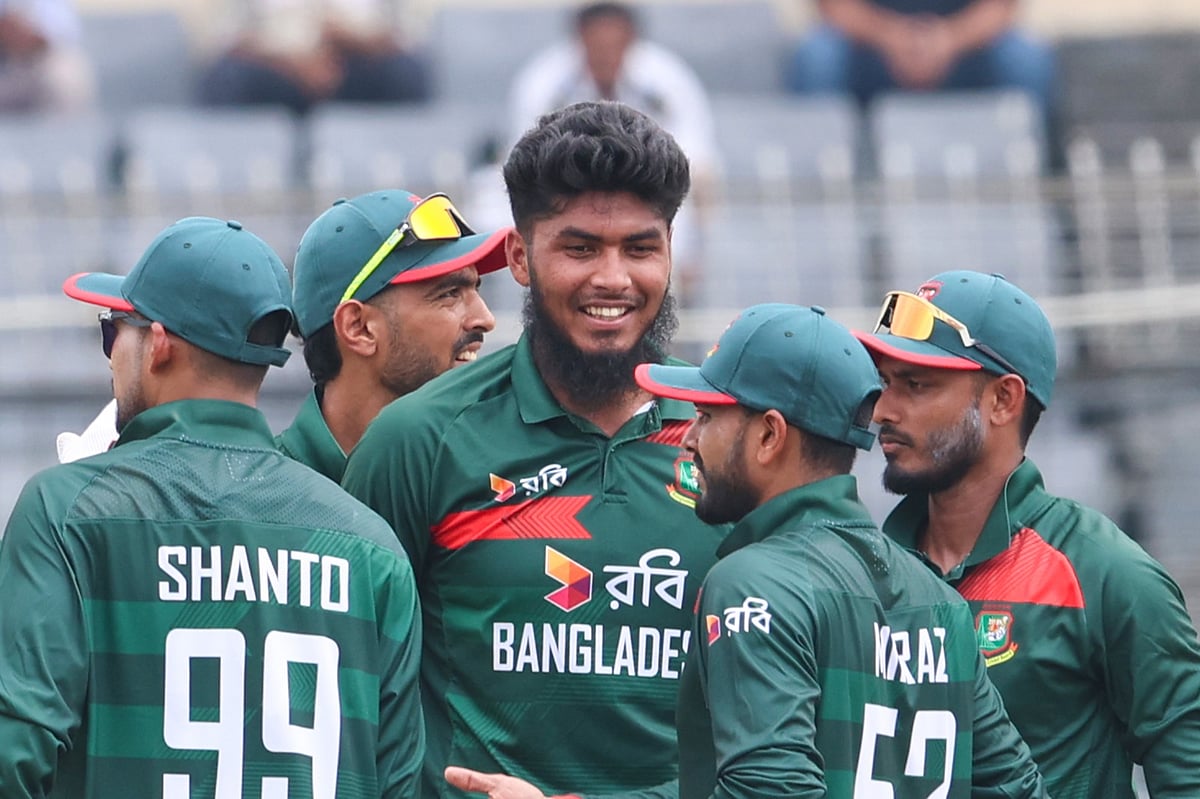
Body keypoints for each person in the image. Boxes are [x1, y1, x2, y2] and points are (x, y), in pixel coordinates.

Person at [342, 100, 726, 798]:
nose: (613, 278)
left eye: (640, 248)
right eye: (580, 249)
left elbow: (772, 733)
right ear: (520, 256)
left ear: (672, 249)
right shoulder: (418, 440)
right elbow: (351, 692)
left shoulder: (729, 442)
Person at [0, 217, 423, 796]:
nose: (111, 355)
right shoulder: (372, 547)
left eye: (112, 332)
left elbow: (14, 754)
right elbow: (399, 784)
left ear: (159, 344)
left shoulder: (67, 509)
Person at [855, 270, 1200, 796]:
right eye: (884, 382)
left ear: (1003, 400)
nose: (883, 410)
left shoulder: (1105, 573)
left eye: (916, 384)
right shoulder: (866, 574)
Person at [279, 188, 509, 481]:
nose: (485, 319)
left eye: (475, 289)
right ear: (359, 328)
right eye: (449, 294)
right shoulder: (263, 498)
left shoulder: (499, 473)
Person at [504, 2, 717, 296]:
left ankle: (678, 287)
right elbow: (524, 154)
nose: (605, 53)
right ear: (579, 39)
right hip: (563, 186)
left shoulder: (668, 79)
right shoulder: (544, 80)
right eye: (597, 44)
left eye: (614, 43)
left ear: (631, 39)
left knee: (688, 197)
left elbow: (693, 153)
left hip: (648, 186)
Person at [785, 0, 1054, 113]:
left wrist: (949, 40)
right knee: (818, 57)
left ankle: (1041, 179)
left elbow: (1001, 7)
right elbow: (833, 6)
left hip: (964, 49)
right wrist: (890, 37)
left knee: (1026, 60)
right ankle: (817, 185)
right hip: (870, 49)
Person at [198, 0, 429, 115]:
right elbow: (228, 39)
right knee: (225, 77)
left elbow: (404, 37)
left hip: (354, 65)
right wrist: (295, 63)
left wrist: (348, 41)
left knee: (406, 73)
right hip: (275, 68)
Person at [0, 0, 94, 112]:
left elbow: (66, 32)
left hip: (46, 58)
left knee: (64, 77)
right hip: (8, 64)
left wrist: (25, 30)